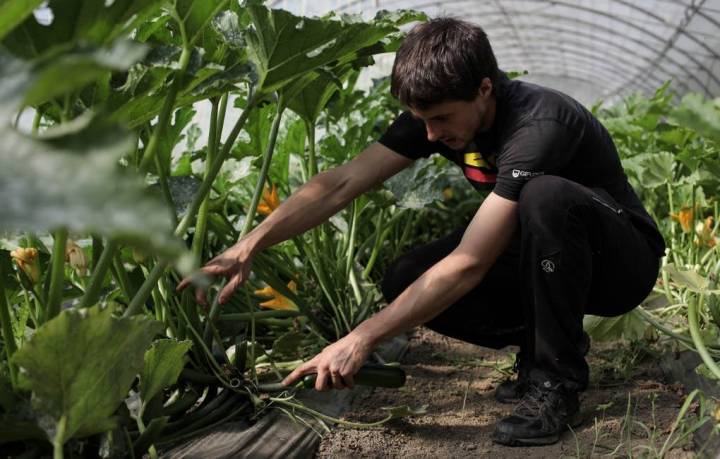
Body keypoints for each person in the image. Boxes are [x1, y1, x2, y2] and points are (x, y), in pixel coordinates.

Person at [177, 18, 665, 447]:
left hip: (620, 264)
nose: (430, 135)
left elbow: (472, 262)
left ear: (484, 89)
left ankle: (556, 383)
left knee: (544, 197)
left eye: (440, 119)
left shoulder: (539, 124)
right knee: (406, 275)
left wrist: (361, 337)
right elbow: (342, 182)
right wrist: (249, 245)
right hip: (544, 258)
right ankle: (545, 348)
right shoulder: (435, 115)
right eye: (421, 120)